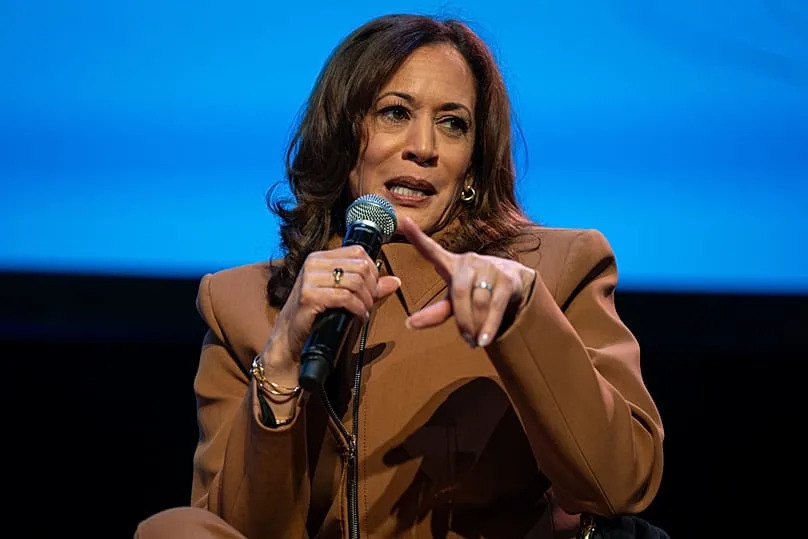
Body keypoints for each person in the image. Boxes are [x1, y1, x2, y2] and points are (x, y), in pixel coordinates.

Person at [135, 13, 664, 539]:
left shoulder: (553, 269)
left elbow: (617, 485)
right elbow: (238, 528)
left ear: (473, 167)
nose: (424, 147)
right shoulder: (241, 304)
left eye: (452, 123)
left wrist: (524, 316)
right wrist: (280, 360)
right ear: (343, 137)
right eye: (394, 113)